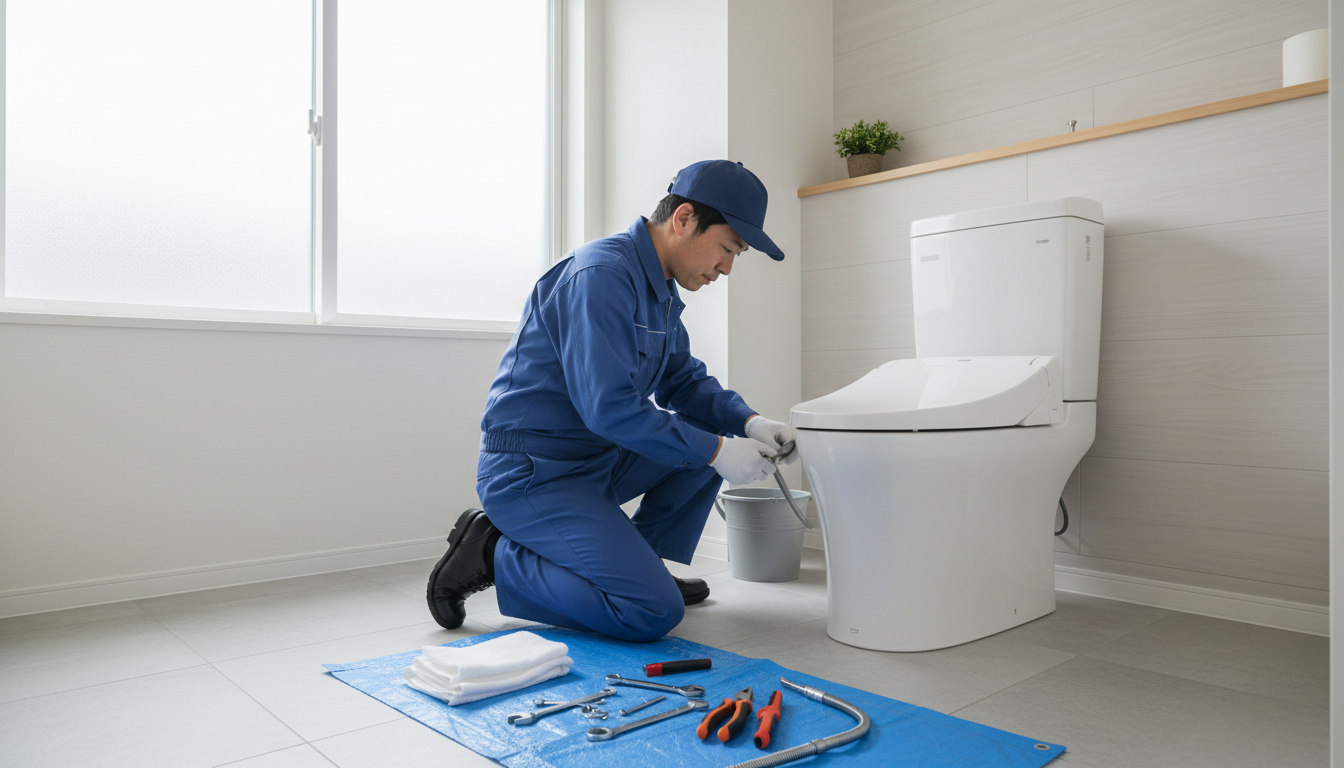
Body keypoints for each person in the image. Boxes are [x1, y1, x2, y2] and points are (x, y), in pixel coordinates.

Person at [426, 159, 799, 642]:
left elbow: (682, 382)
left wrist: (749, 423)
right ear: (683, 218)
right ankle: (495, 554)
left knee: (712, 442)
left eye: (737, 255)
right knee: (650, 613)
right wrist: (720, 451)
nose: (727, 267)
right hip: (535, 473)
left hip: (595, 461)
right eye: (728, 248)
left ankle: (632, 565)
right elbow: (609, 408)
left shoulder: (658, 290)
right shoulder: (601, 276)